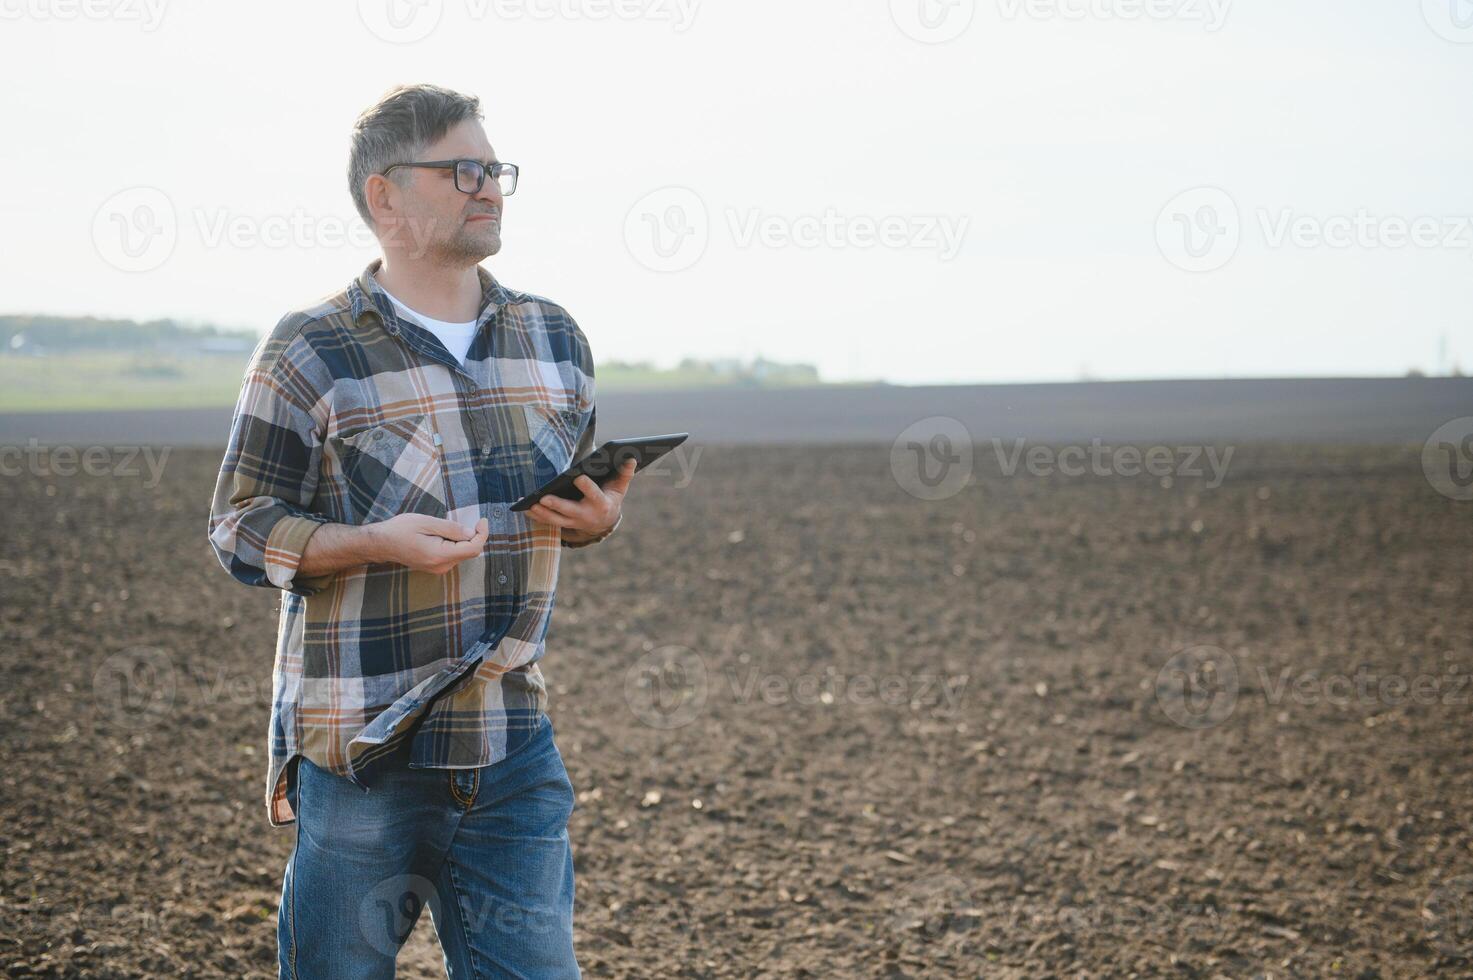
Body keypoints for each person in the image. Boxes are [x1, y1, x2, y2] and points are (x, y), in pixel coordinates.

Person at [206, 82, 633, 979]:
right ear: (384, 196)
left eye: (495, 168)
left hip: (511, 742)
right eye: (462, 169)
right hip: (366, 752)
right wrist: (372, 542)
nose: (490, 187)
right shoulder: (312, 349)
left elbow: (569, 497)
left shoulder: (553, 338)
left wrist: (597, 520)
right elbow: (240, 529)